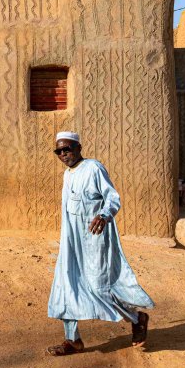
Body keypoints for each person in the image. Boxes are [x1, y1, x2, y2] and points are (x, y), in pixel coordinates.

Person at [46, 131, 154, 356]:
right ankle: (72, 340)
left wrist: (104, 215)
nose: (64, 154)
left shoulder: (94, 168)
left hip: (95, 241)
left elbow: (112, 197)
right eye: (59, 151)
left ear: (79, 147)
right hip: (71, 242)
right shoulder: (68, 174)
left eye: (67, 149)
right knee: (65, 287)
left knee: (98, 287)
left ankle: (137, 318)